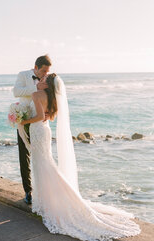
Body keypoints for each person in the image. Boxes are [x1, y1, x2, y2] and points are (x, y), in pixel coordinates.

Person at [20, 73, 141, 241]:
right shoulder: (51, 96)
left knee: (43, 165)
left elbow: (40, 117)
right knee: (45, 163)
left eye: (43, 79)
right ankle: (49, 202)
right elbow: (48, 116)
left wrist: (22, 121)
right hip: (44, 131)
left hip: (38, 130)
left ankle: (53, 202)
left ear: (46, 84)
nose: (39, 80)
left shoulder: (36, 94)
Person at [13, 54, 51, 204]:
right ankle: (28, 191)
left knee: (43, 156)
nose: (45, 75)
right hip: (24, 120)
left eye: (47, 72)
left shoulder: (48, 80)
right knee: (24, 156)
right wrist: (36, 87)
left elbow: (53, 99)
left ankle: (46, 191)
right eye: (43, 71)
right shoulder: (23, 75)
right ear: (36, 68)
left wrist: (50, 113)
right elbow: (16, 92)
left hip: (40, 122)